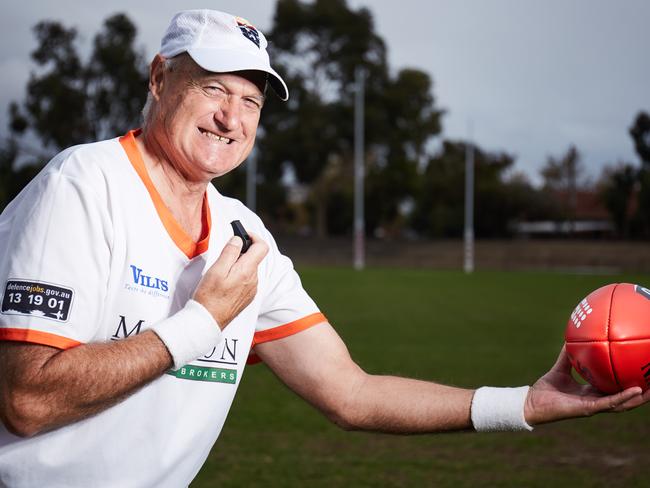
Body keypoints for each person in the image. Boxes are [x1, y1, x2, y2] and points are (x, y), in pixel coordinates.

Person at [0, 9, 647, 488]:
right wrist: (202, 323)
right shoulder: (82, 187)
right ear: (160, 76)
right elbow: (26, 402)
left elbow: (350, 393)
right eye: (214, 88)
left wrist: (525, 404)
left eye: (250, 100)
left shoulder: (245, 239)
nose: (232, 117)